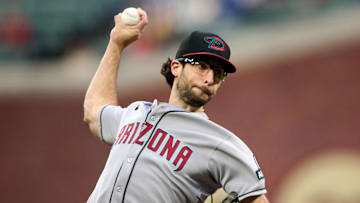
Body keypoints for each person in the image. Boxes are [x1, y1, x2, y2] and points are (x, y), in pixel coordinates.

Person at [83, 8, 268, 203]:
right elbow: (93, 113)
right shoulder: (136, 112)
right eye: (202, 66)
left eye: (219, 73)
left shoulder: (220, 142)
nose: (210, 79)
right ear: (176, 67)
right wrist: (116, 43)